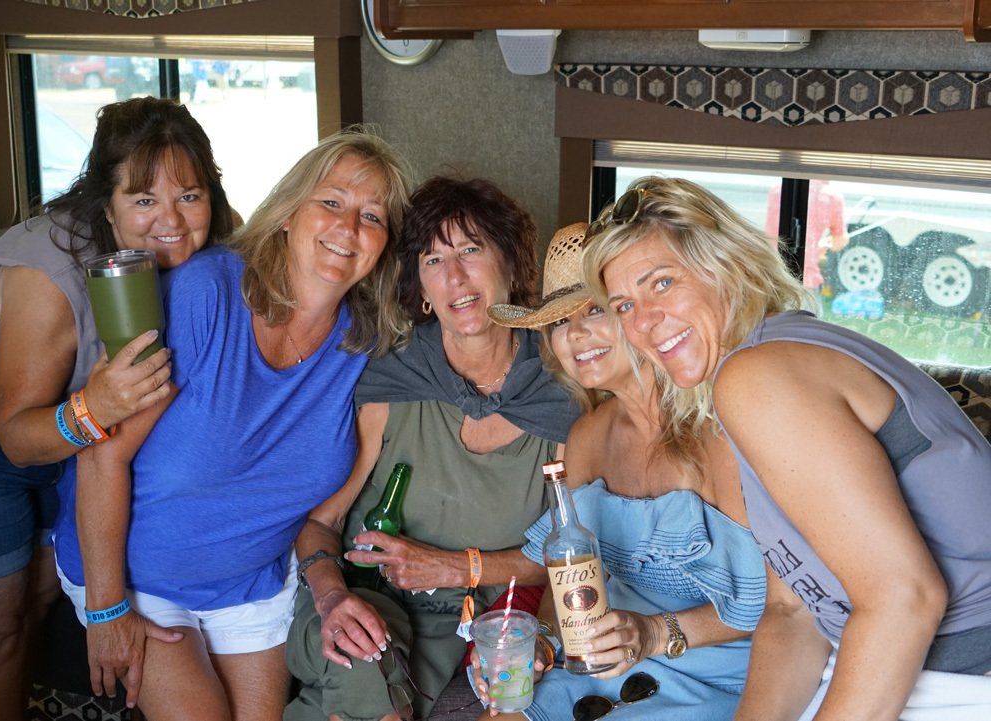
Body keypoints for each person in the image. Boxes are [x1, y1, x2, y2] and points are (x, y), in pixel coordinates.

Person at [582, 176, 991, 721]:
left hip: (963, 674)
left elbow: (903, 599)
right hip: (904, 662)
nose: (644, 322)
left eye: (661, 283)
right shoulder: (749, 374)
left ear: (728, 266)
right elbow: (792, 609)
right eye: (624, 305)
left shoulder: (759, 375)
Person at [51, 127, 413, 721]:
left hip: (252, 585)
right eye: (331, 202)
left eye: (371, 216)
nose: (348, 229)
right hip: (141, 576)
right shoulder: (206, 293)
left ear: (384, 244)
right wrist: (107, 610)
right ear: (288, 212)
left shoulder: (367, 344)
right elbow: (101, 455)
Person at [0, 96, 230, 721]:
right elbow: (18, 437)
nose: (170, 219)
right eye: (143, 200)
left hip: (77, 435)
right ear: (103, 204)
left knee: (38, 595)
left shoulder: (206, 255)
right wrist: (96, 405)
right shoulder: (48, 270)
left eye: (189, 196)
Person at [285, 176, 581, 721]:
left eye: (471, 250)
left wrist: (451, 568)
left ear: (512, 266)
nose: (456, 276)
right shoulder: (393, 380)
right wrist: (331, 600)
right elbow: (319, 524)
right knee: (362, 655)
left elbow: (570, 558)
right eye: (433, 260)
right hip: (354, 599)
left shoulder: (561, 397)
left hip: (456, 627)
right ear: (420, 287)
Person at [470, 223, 764, 721]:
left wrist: (652, 633)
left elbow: (779, 605)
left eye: (596, 311)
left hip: (712, 671)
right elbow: (568, 580)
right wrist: (541, 642)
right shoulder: (586, 436)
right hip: (601, 664)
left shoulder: (720, 430)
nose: (576, 334)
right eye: (559, 323)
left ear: (641, 319)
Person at [764, 179, 848, 294]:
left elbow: (770, 232)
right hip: (806, 276)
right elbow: (839, 240)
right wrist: (824, 244)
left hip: (772, 271)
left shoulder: (778, 189)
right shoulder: (832, 197)